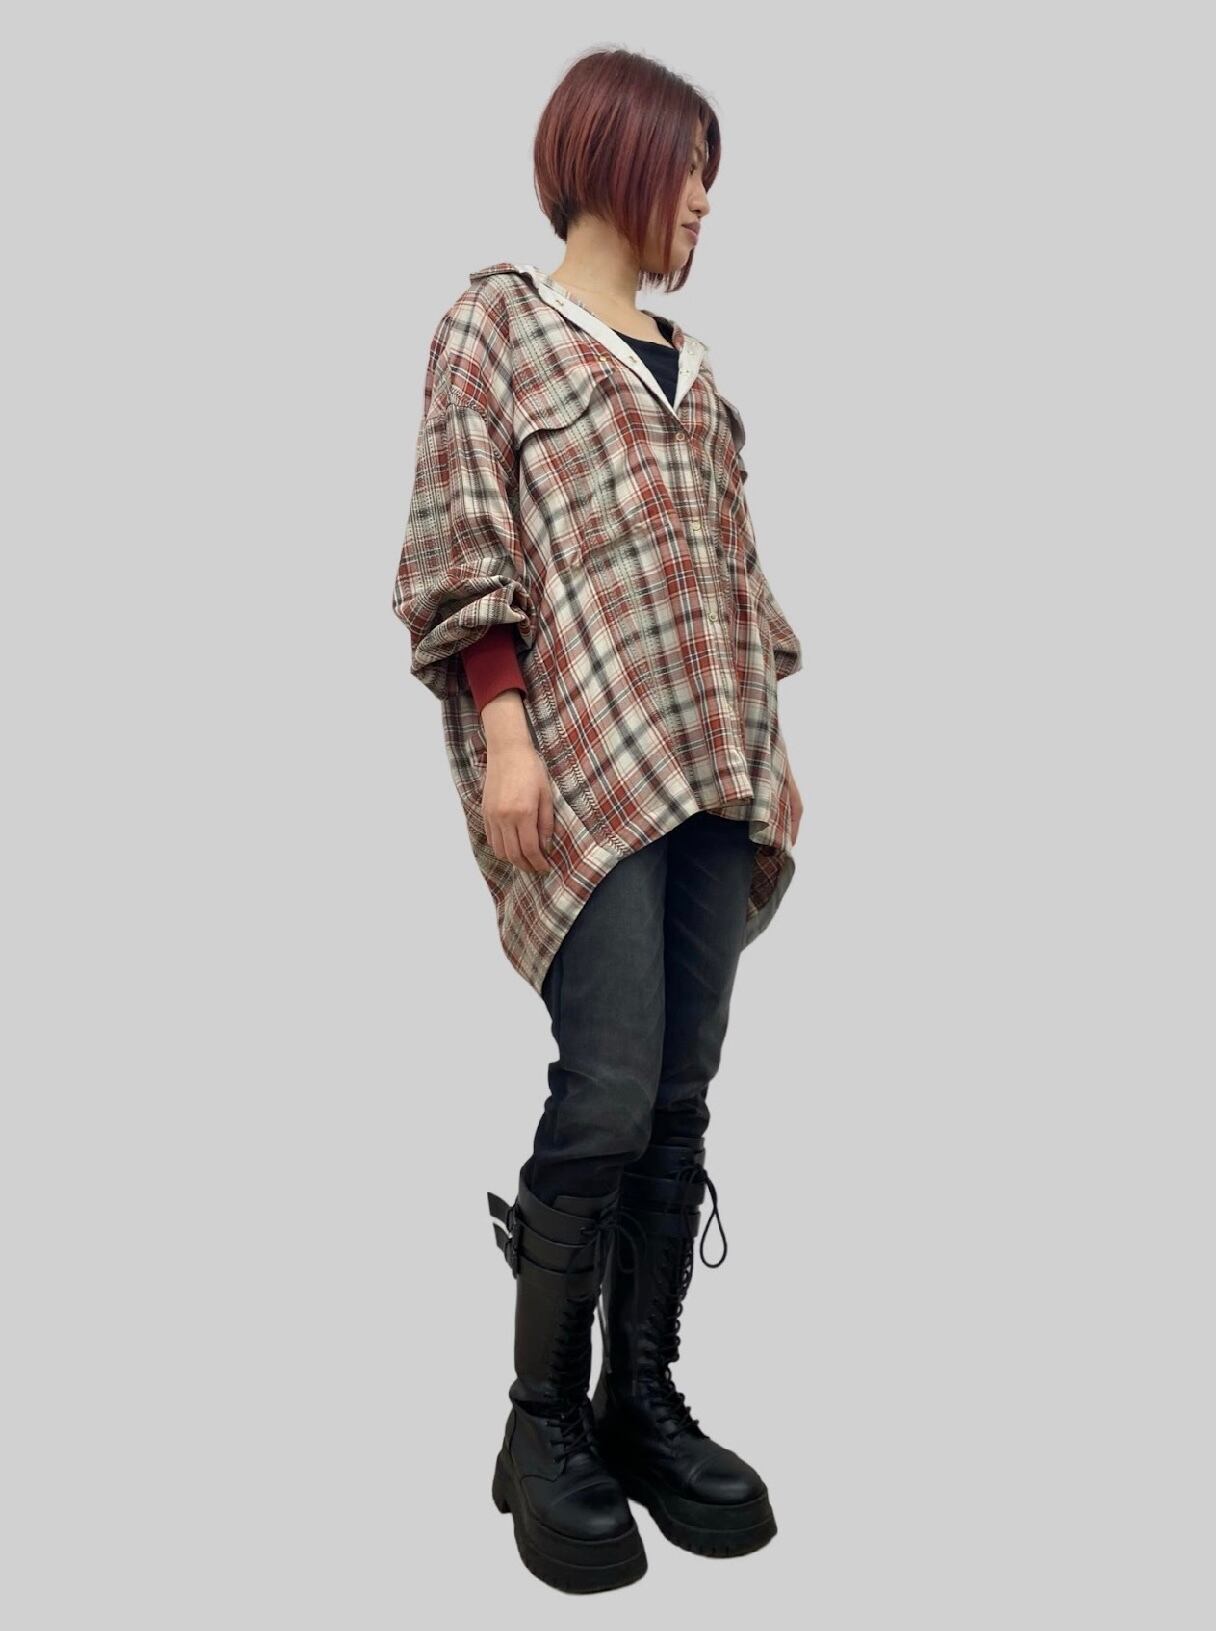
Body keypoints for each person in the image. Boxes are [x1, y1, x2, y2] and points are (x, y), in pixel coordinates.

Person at [392, 48, 804, 1594]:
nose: (703, 200)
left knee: (680, 1095)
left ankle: (641, 1401)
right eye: (690, 167)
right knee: (610, 1084)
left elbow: (735, 587)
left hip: (715, 769)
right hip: (577, 769)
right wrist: (504, 728)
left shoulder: (698, 374)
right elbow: (462, 537)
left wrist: (770, 755)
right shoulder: (499, 329)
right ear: (620, 155)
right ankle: (539, 1423)